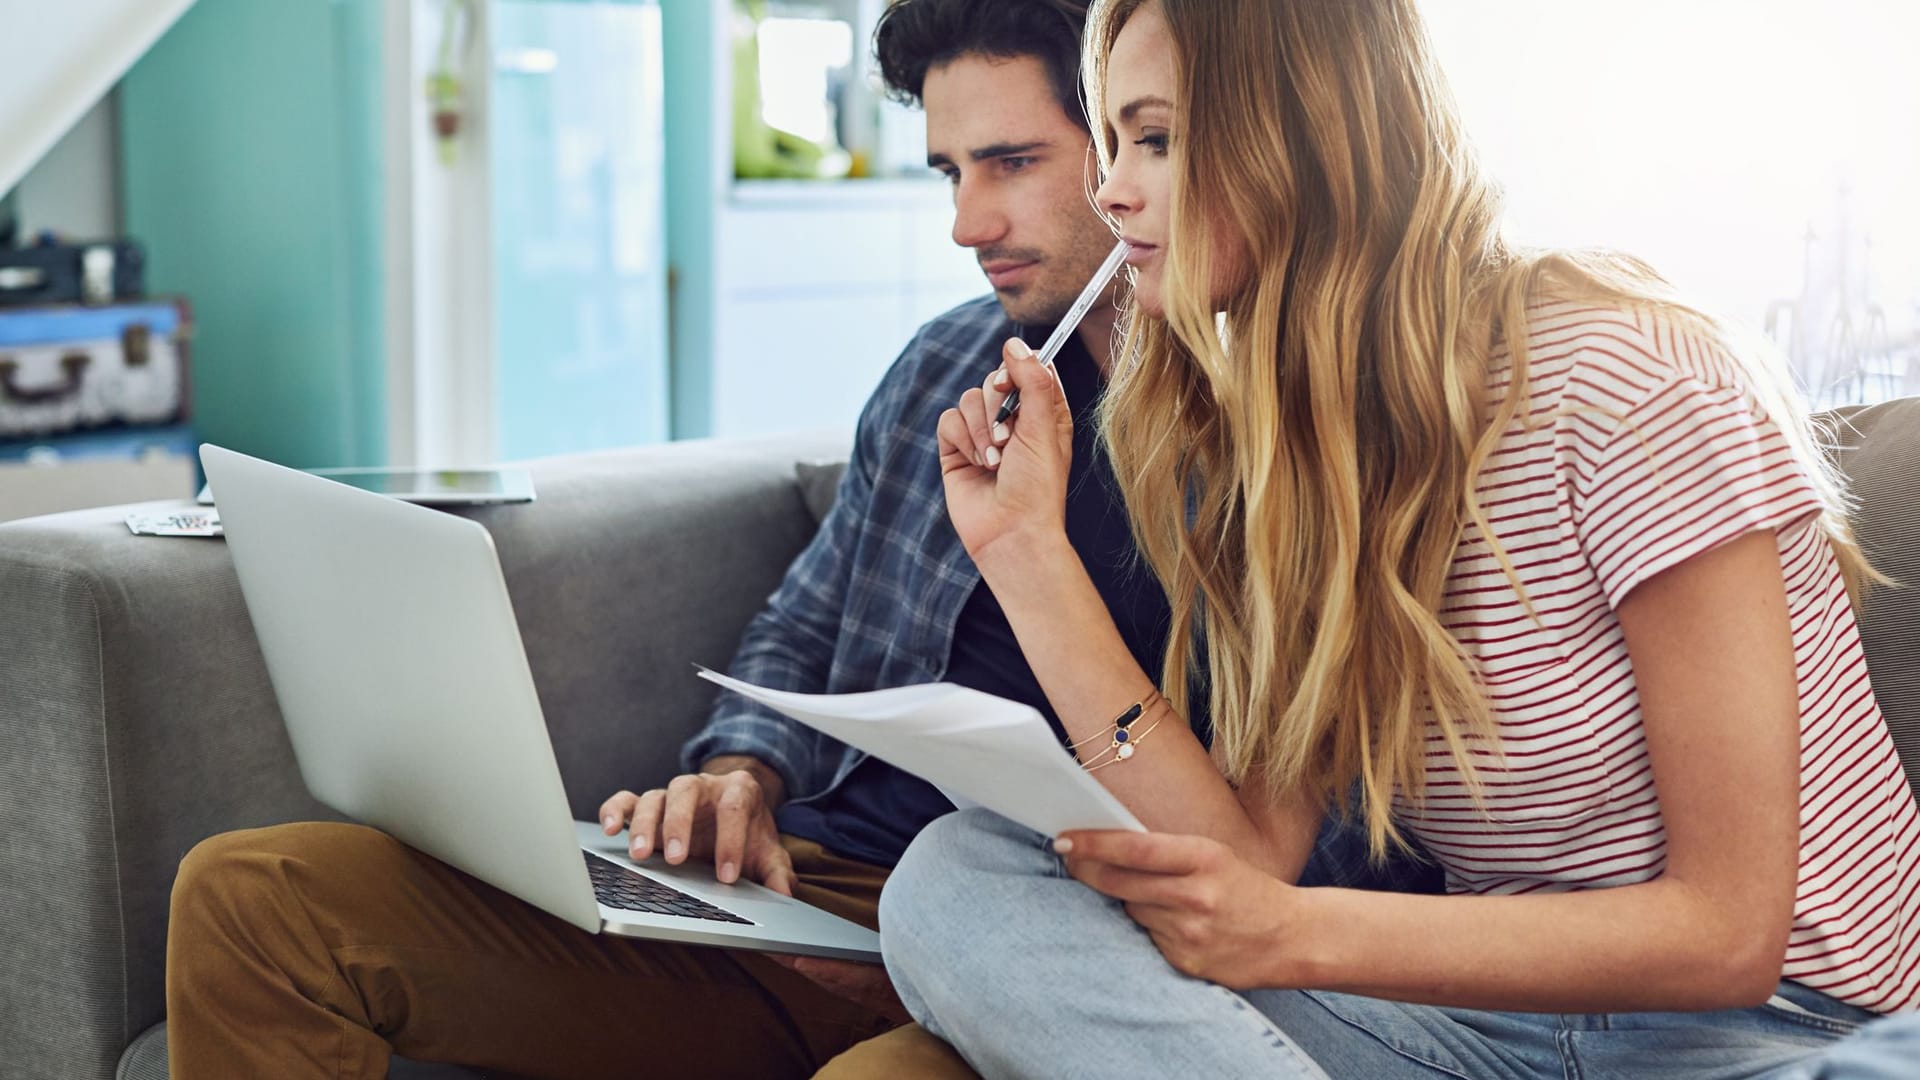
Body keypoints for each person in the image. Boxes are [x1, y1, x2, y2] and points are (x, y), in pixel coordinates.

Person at [162, 3, 1433, 1077]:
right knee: (254, 897)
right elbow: (805, 620)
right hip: (809, 893)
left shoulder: (1298, 436)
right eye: (949, 173)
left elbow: (1301, 846)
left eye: (1011, 162)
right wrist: (742, 781)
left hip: (1063, 934)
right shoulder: (948, 366)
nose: (968, 223)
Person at [878, 0, 1920, 1076]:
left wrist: (1290, 937)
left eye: (1159, 139)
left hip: (1774, 1036)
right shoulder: (1303, 458)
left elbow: (1728, 934)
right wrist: (1025, 553)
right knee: (961, 874)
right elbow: (1236, 860)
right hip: (1490, 1042)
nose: (1113, 190)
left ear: (1309, 133)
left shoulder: (1624, 376)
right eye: (1113, 142)